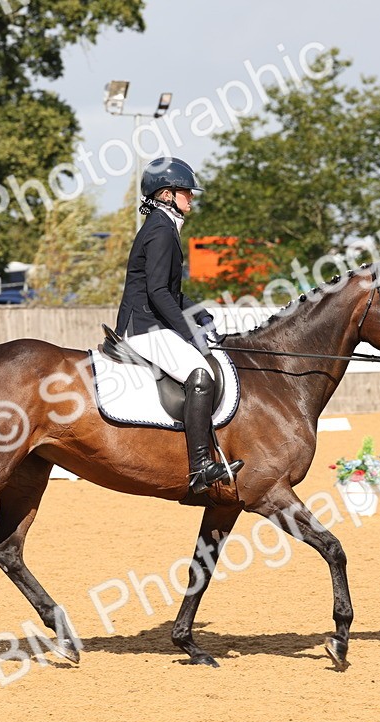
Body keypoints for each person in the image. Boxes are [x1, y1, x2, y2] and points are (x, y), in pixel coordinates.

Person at [114, 156, 243, 494]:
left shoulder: (164, 226)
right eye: (187, 192)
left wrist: (199, 314)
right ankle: (200, 466)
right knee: (200, 373)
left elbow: (171, 291)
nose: (192, 198)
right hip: (142, 326)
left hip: (149, 320)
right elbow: (157, 293)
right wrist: (190, 335)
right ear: (167, 194)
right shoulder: (160, 230)